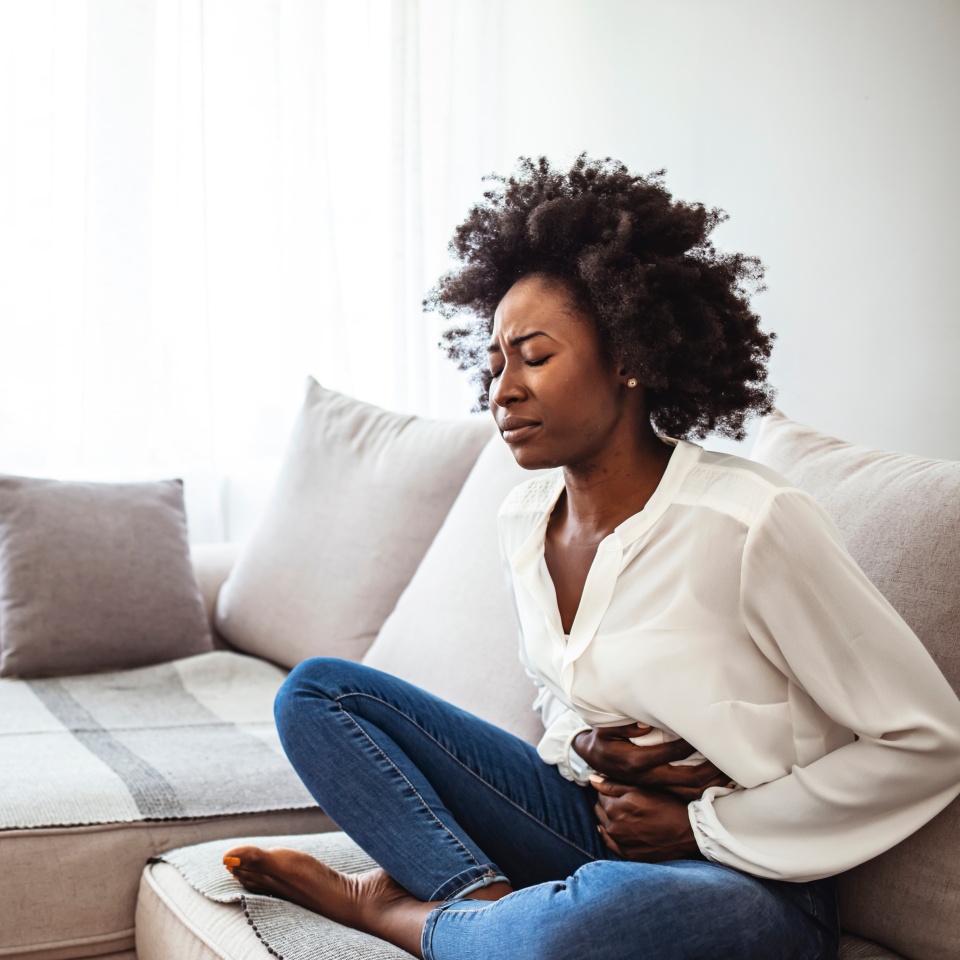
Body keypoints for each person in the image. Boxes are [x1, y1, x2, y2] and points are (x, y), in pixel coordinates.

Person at [222, 155, 960, 960]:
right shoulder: (523, 519)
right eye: (495, 364)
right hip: (590, 825)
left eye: (534, 357)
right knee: (317, 695)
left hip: (755, 883)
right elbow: (557, 692)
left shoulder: (752, 523)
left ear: (627, 357)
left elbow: (927, 742)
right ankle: (486, 910)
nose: (501, 389)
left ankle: (398, 914)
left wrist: (702, 824)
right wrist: (584, 744)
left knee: (581, 926)